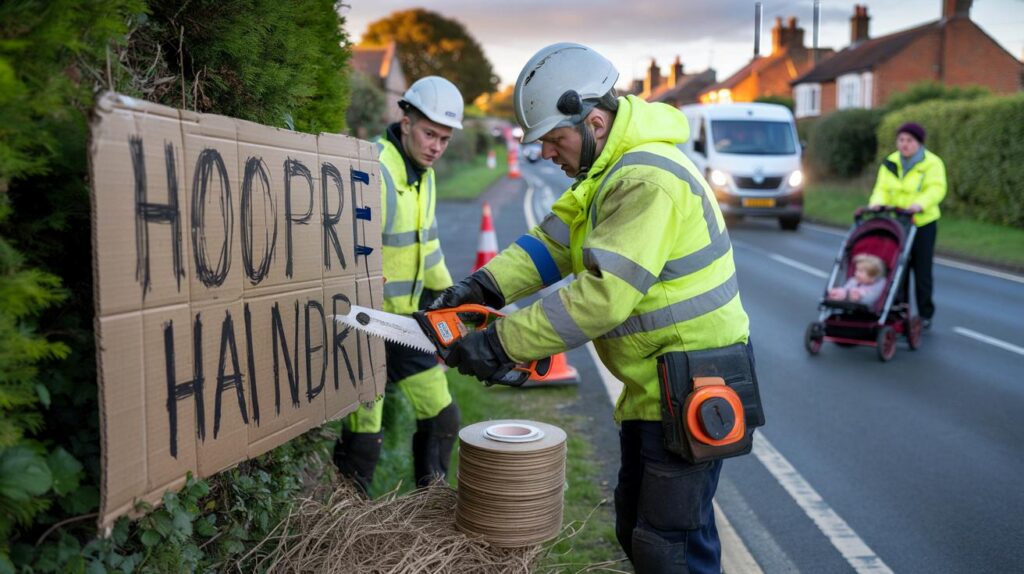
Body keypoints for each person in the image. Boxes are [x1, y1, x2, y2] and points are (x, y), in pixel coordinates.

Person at [429, 43, 754, 573]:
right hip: (659, 385)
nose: (548, 154)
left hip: (693, 382)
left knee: (668, 547)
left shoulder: (646, 179)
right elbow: (551, 244)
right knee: (639, 530)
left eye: (555, 140)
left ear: (595, 122)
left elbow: (603, 297)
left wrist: (500, 343)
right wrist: (482, 288)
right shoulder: (605, 174)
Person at [333, 76, 464, 493]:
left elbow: (429, 245)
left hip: (405, 323)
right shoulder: (374, 168)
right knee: (366, 432)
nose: (436, 147)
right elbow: (349, 254)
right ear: (405, 121)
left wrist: (454, 301)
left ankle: (428, 511)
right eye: (429, 134)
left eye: (444, 139)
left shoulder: (425, 175)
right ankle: (346, 522)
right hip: (367, 323)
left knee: (443, 416)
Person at [869, 122, 946, 329]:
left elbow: (936, 189)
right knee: (896, 267)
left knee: (921, 269)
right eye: (901, 140)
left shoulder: (932, 163)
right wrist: (876, 203)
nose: (904, 144)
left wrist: (919, 204)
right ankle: (897, 309)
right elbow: (881, 188)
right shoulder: (890, 162)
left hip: (922, 222)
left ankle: (925, 314)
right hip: (896, 222)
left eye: (909, 140)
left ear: (918, 143)